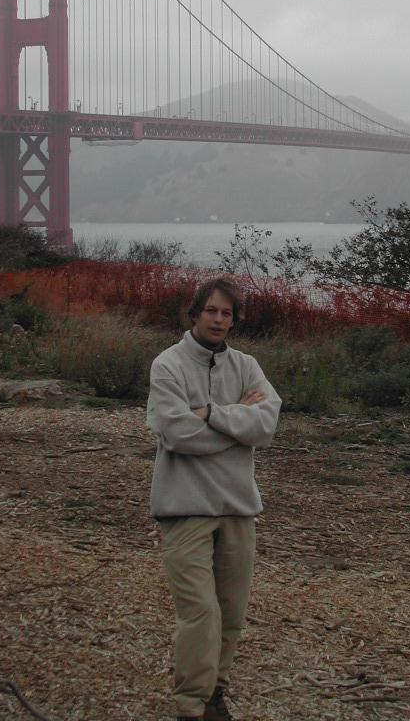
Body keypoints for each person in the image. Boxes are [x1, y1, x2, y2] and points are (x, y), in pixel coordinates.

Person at [146, 276, 281, 721]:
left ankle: (214, 695)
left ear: (234, 319)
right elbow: (177, 434)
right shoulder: (167, 365)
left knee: (231, 613)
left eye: (227, 313)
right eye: (211, 311)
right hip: (184, 509)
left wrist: (211, 414)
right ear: (195, 313)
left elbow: (266, 426)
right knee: (200, 613)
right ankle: (190, 706)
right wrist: (236, 425)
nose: (219, 319)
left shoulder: (247, 366)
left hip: (239, 508)